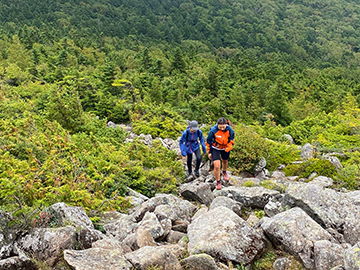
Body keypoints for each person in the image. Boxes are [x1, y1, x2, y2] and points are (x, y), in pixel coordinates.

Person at [206, 117, 235, 190]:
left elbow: (231, 140)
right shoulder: (213, 130)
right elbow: (208, 141)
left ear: (226, 124)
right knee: (216, 165)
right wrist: (209, 152)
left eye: (223, 127)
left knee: (225, 160)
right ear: (217, 125)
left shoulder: (229, 130)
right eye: (220, 127)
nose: (222, 128)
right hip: (215, 148)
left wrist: (229, 147)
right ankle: (218, 182)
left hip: (225, 148)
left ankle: (224, 171)